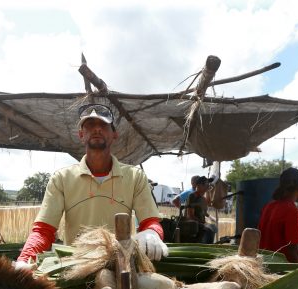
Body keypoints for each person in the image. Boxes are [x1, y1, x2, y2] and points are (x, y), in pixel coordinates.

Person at [16, 103, 168, 267]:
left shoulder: (135, 177)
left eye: (103, 125)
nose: (97, 129)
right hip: (76, 266)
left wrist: (151, 232)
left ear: (114, 134)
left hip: (120, 264)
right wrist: (25, 259)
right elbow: (44, 230)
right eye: (90, 125)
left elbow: (150, 221)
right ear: (81, 135)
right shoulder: (61, 179)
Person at [257, 167, 298, 263]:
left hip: (263, 264)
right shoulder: (292, 210)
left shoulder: (268, 206)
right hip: (280, 268)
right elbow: (292, 248)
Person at [184, 176, 216, 244]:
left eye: (208, 184)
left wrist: (210, 217)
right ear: (199, 186)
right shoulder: (192, 196)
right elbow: (190, 216)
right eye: (206, 184)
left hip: (200, 224)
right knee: (208, 230)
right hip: (193, 225)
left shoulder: (203, 199)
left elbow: (205, 209)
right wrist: (203, 223)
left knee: (213, 228)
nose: (208, 186)